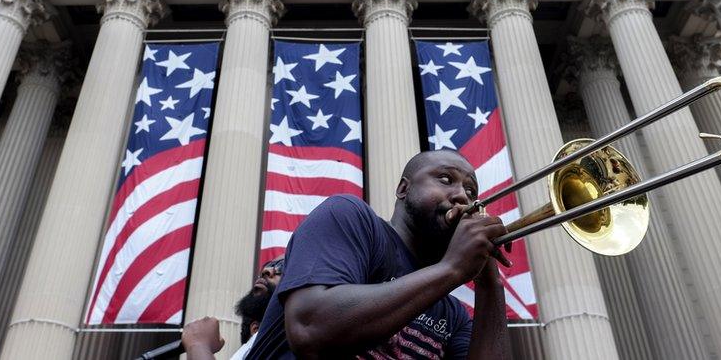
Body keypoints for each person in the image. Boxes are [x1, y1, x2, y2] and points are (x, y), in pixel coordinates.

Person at [244, 149, 513, 359]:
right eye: (445, 179)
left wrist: (490, 284)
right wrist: (453, 269)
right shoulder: (350, 217)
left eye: (471, 191)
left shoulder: (452, 314)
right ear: (403, 189)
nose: (463, 198)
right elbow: (310, 329)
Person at [182, 256, 285, 359]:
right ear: (255, 329)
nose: (265, 271)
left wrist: (198, 345)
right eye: (267, 266)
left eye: (283, 266)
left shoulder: (292, 342)